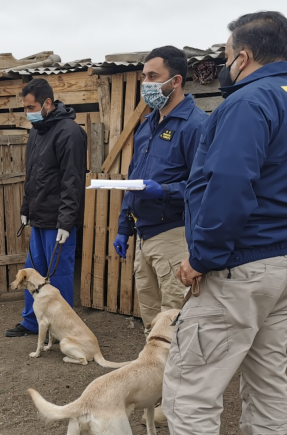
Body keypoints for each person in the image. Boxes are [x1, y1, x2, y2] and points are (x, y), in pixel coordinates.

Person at [131, 12, 287, 435]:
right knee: (267, 381)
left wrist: (202, 257)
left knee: (191, 388)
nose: (225, 66)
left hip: (239, 267)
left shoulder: (249, 102)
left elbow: (226, 185)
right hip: (286, 264)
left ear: (243, 56)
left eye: (225, 57)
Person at [113, 46, 209, 331]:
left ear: (176, 81)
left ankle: (178, 376)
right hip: (144, 235)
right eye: (144, 76)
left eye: (153, 76)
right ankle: (156, 376)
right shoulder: (147, 124)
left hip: (174, 235)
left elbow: (204, 187)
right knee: (152, 322)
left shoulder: (196, 126)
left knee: (175, 321)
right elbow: (134, 178)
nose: (146, 84)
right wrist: (123, 227)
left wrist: (164, 191)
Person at [6, 78, 87, 338]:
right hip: (38, 217)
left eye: (31, 107)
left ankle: (65, 328)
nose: (27, 112)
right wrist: (26, 208)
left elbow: (72, 181)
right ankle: (32, 322)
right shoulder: (37, 133)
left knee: (59, 274)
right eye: (25, 108)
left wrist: (67, 222)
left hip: (57, 220)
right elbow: (32, 176)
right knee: (33, 273)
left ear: (47, 103)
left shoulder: (69, 132)